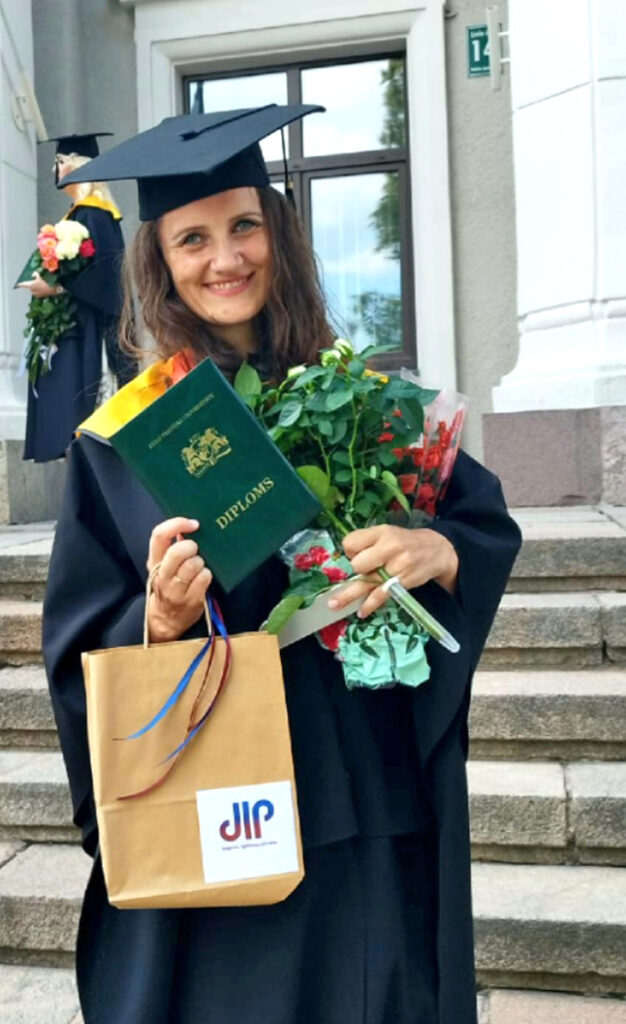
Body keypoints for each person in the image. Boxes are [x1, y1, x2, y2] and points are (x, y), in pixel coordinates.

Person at [42, 105, 522, 1024]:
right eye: (193, 239)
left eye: (244, 226)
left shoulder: (361, 397)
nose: (225, 258)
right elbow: (76, 642)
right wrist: (157, 620)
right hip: (220, 809)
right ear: (161, 261)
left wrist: (439, 550)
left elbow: (480, 525)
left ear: (280, 237)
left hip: (366, 805)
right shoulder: (124, 442)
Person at [20, 132, 136, 463]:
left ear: (79, 165)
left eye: (60, 161)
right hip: (75, 331)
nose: (55, 169)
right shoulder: (78, 214)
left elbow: (106, 278)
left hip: (91, 334)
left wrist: (57, 287)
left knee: (87, 420)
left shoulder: (95, 214)